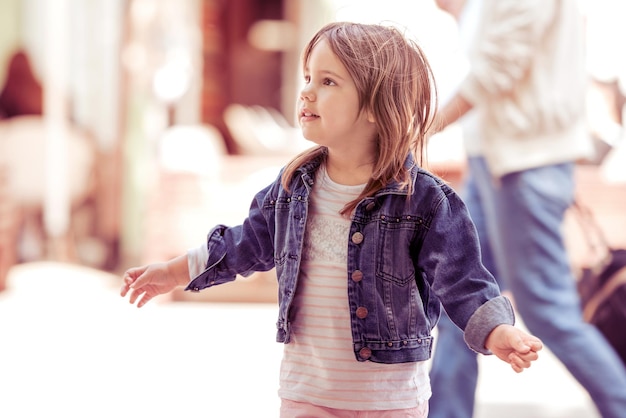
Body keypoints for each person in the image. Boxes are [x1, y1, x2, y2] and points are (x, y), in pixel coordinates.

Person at [120, 22, 542, 418]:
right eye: (308, 78)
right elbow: (241, 245)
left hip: (391, 400)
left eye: (328, 82)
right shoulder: (290, 188)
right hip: (308, 394)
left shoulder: (426, 200)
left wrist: (497, 331)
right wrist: (174, 272)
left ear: (378, 106)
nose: (306, 92)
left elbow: (463, 280)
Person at [428, 1, 626, 418]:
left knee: (547, 310)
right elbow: (497, 51)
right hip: (493, 160)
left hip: (524, 165)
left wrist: (421, 127)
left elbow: (497, 70)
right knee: (458, 298)